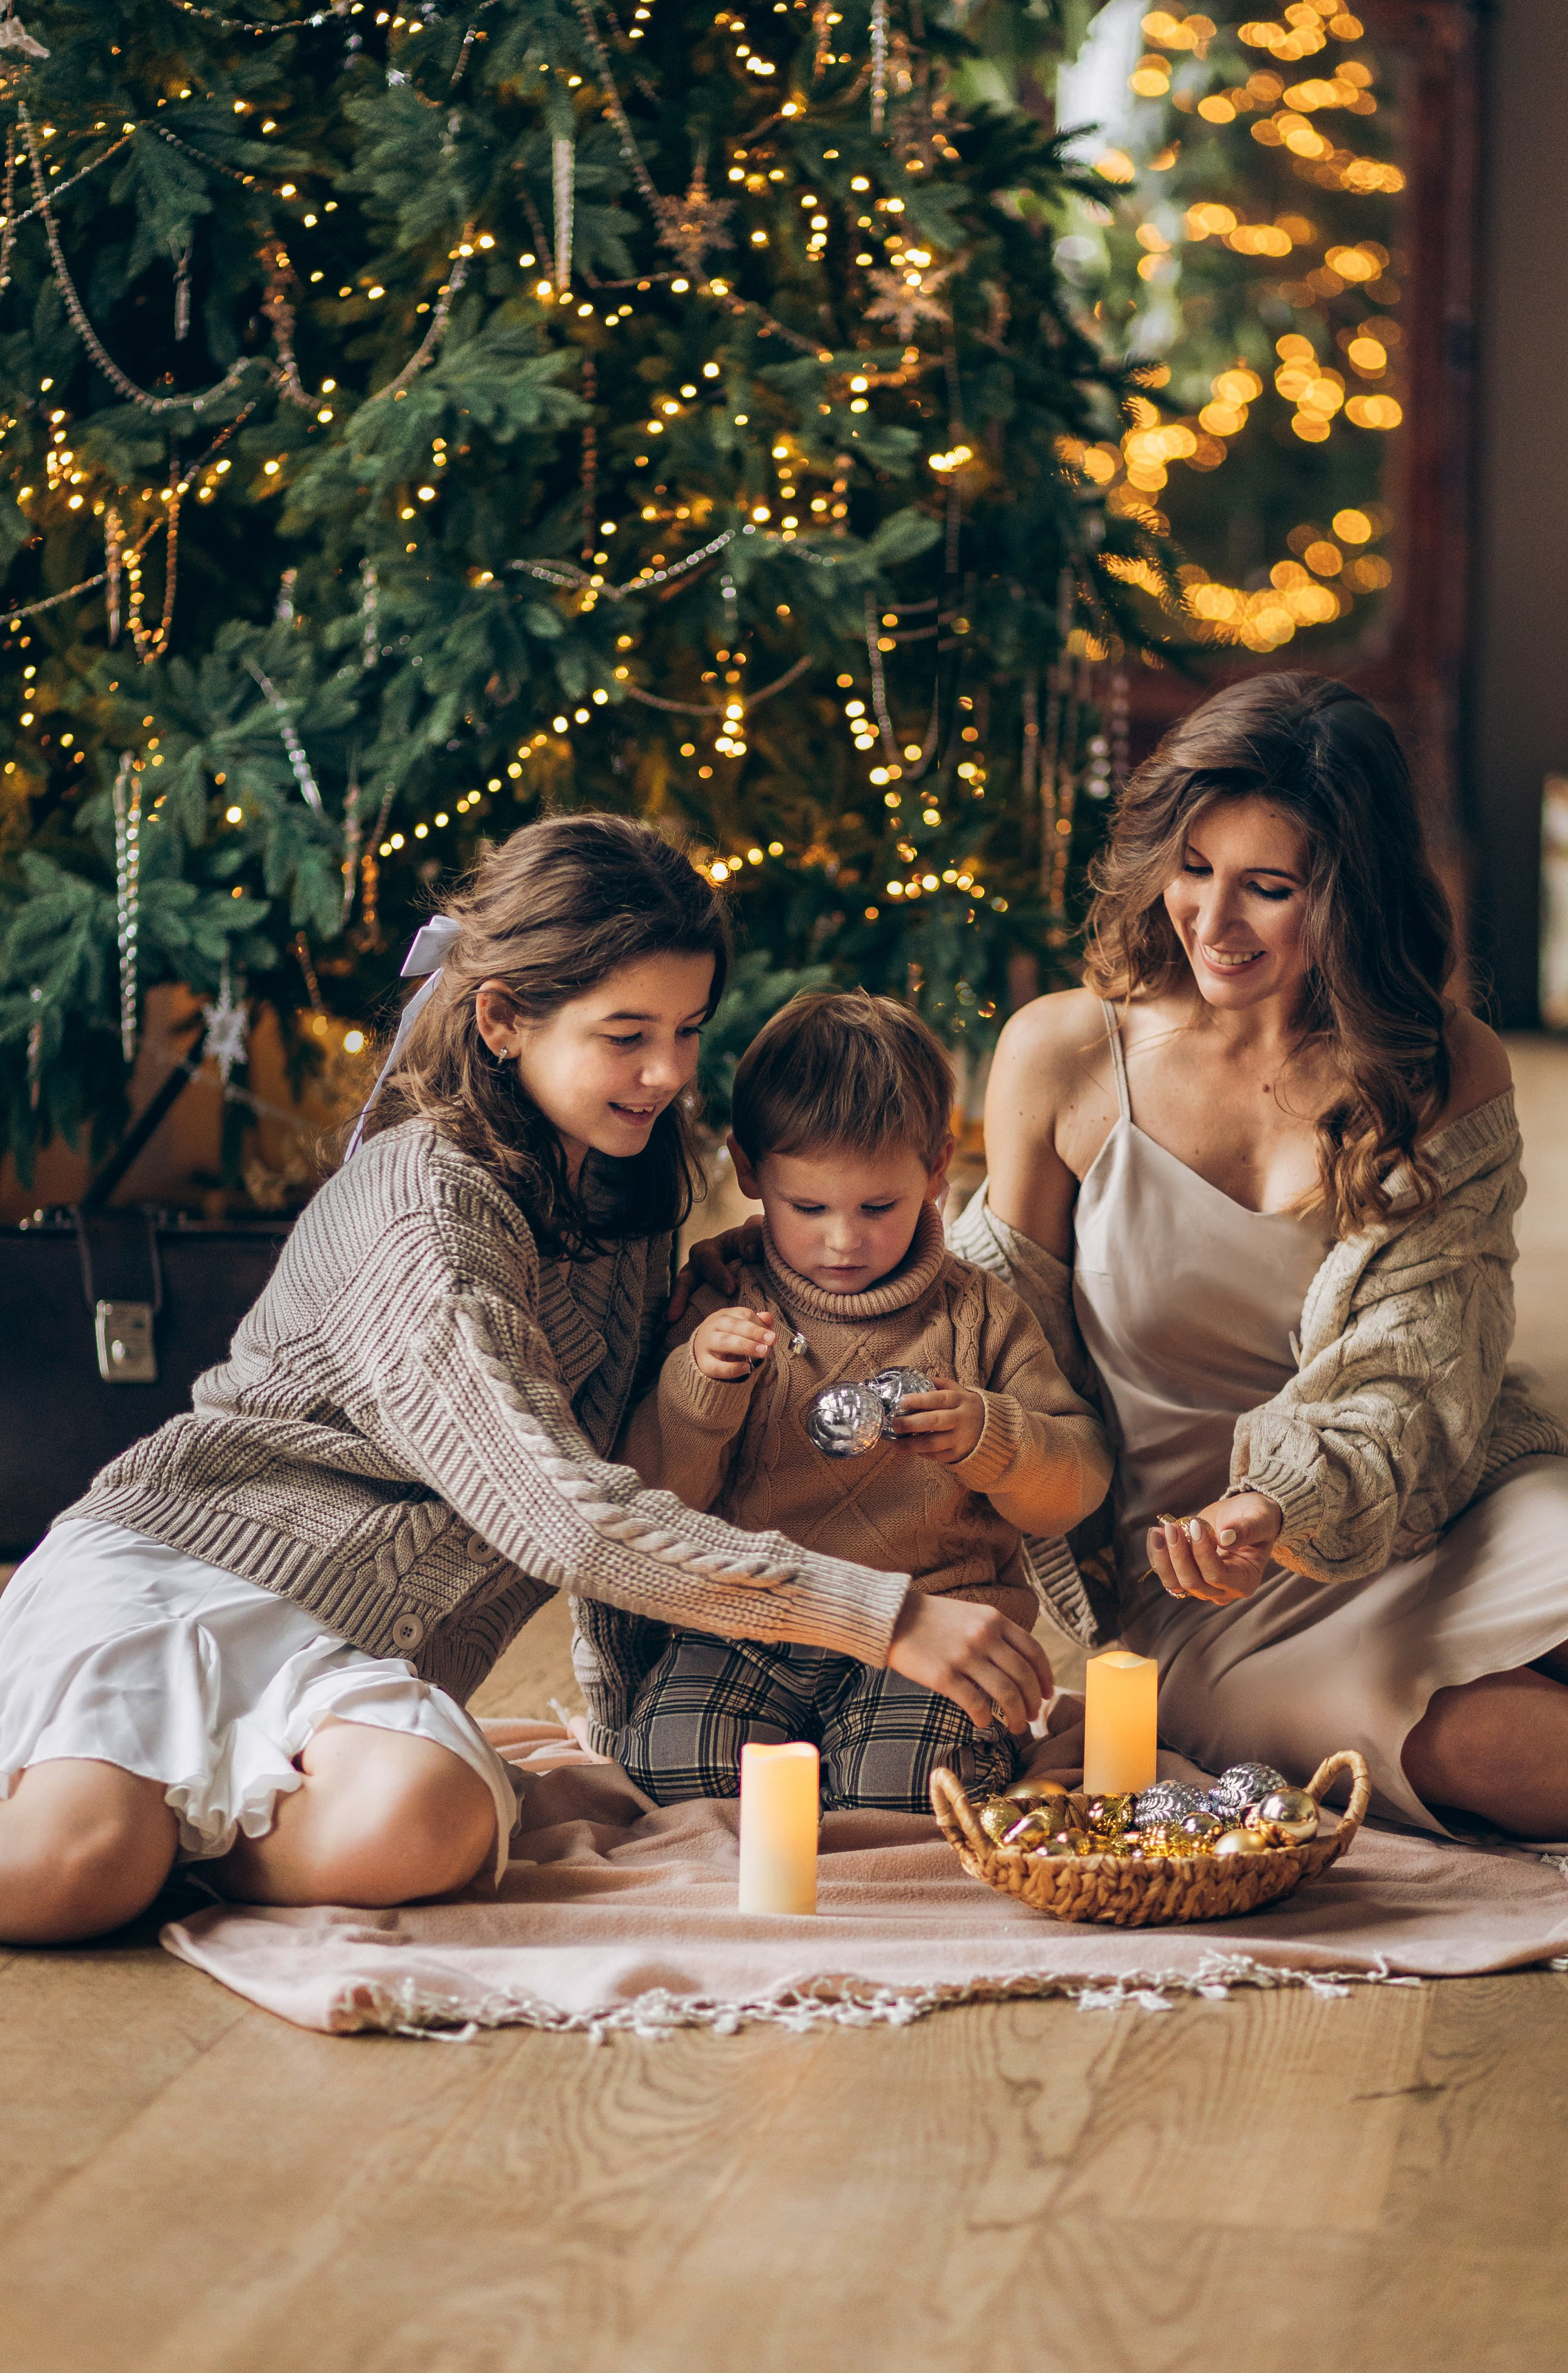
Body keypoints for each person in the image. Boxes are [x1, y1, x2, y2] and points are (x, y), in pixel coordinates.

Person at [0, 815, 1052, 1947]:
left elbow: (629, 1466)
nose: (669, 1072)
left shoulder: (627, 1182)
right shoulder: (427, 1215)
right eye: (626, 1034)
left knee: (435, 1820)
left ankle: (171, 1825)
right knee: (83, 1864)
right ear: (502, 1017)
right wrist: (881, 1617)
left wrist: (621, 1705)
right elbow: (565, 1509)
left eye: (689, 1029)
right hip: (187, 1574)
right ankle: (121, 1814)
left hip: (352, 1656)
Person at [949, 671, 1568, 1849]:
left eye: (1267, 888)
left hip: (1442, 1481)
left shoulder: (1442, 1067)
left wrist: (1274, 1497)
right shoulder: (1067, 1054)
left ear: (1349, 894)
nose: (1213, 922)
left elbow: (1415, 1378)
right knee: (1476, 1738)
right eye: (1193, 869)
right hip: (1197, 1585)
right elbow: (992, 1338)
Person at [605, 991, 1111, 1810]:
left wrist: (992, 1435)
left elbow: (1075, 1486)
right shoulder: (720, 1303)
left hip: (937, 1622)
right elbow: (655, 1504)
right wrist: (697, 1387)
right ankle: (812, 1749)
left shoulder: (979, 1314)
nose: (844, 1240)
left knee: (908, 1788)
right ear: (748, 1169)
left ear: (937, 1170)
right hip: (753, 1621)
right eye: (808, 1207)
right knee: (672, 1763)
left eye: (879, 1206)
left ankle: (897, 1755)